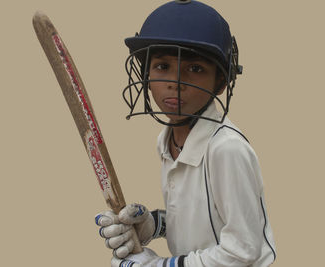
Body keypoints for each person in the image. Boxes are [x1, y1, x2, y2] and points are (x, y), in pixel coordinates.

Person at [95, 1, 276, 266]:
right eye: (162, 66)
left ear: (221, 82)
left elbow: (243, 251)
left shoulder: (227, 149)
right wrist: (152, 225)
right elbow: (204, 221)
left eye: (195, 69)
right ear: (146, 74)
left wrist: (161, 265)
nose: (174, 82)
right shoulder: (167, 139)